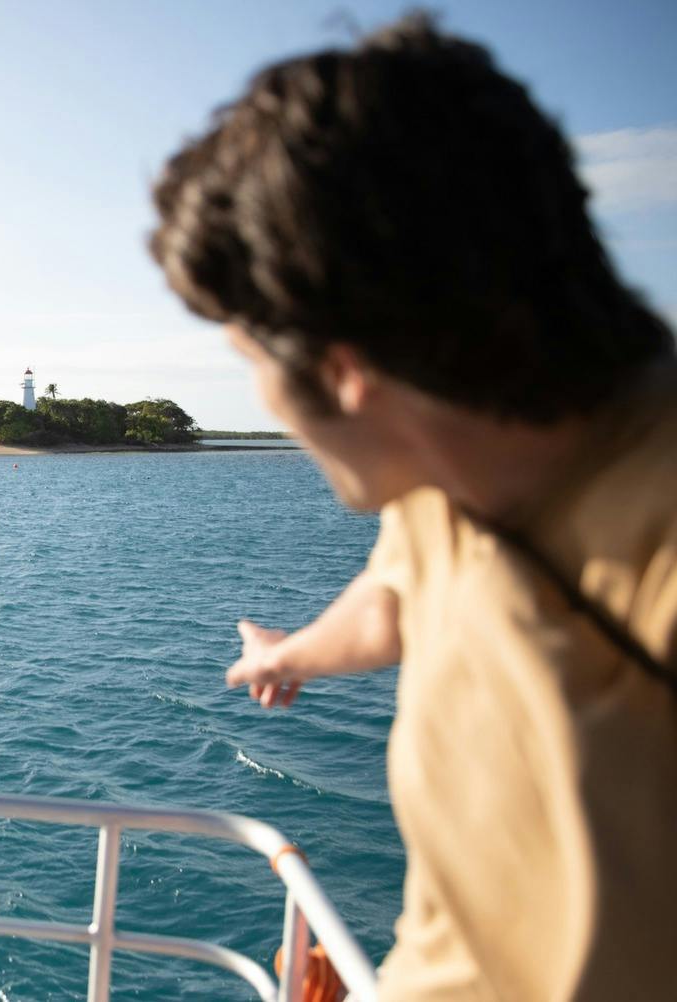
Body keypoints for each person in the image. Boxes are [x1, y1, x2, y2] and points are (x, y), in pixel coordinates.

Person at [149, 13, 675, 1002]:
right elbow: (395, 599)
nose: (259, 397)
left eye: (252, 362)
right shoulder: (448, 475)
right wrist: (287, 656)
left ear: (344, 369)